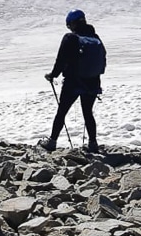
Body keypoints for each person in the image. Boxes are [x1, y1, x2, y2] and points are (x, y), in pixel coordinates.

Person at [41, 9, 105, 153]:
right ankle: (93, 144)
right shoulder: (96, 38)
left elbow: (61, 60)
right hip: (93, 82)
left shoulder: (70, 38)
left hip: (73, 82)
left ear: (72, 24)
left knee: (62, 111)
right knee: (88, 113)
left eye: (69, 25)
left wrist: (52, 75)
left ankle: (52, 142)